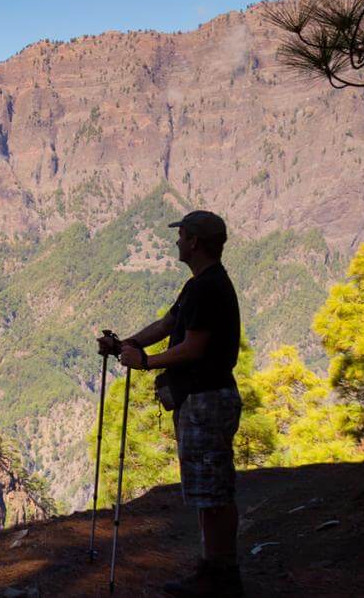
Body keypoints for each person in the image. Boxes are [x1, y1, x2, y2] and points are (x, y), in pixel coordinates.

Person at [97, 210, 242, 597]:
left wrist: (144, 362)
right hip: (206, 398)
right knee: (211, 489)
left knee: (212, 492)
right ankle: (216, 568)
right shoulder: (200, 285)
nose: (176, 242)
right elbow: (166, 325)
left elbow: (192, 348)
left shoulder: (206, 288)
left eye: (181, 236)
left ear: (194, 241)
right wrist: (126, 344)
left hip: (205, 399)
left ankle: (220, 574)